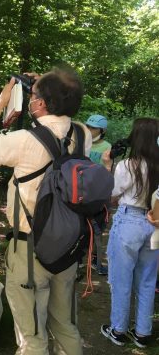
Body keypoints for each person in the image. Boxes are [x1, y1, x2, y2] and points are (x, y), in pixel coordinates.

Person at [0, 67, 92, 355]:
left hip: (29, 248)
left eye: (34, 96)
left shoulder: (26, 139)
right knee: (65, 325)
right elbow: (62, 113)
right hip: (67, 247)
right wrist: (49, 90)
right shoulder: (82, 133)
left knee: (31, 335)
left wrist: (2, 102)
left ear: (40, 104)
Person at [100, 117, 159, 349]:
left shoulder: (128, 165)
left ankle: (118, 329)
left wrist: (107, 166)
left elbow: (111, 193)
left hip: (129, 221)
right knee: (147, 280)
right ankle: (143, 332)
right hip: (154, 225)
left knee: (121, 279)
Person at [85, 114, 112, 275]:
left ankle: (95, 258)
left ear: (101, 130)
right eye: (87, 126)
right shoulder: (81, 142)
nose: (89, 130)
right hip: (80, 190)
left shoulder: (107, 147)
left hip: (97, 191)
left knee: (97, 227)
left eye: (93, 128)